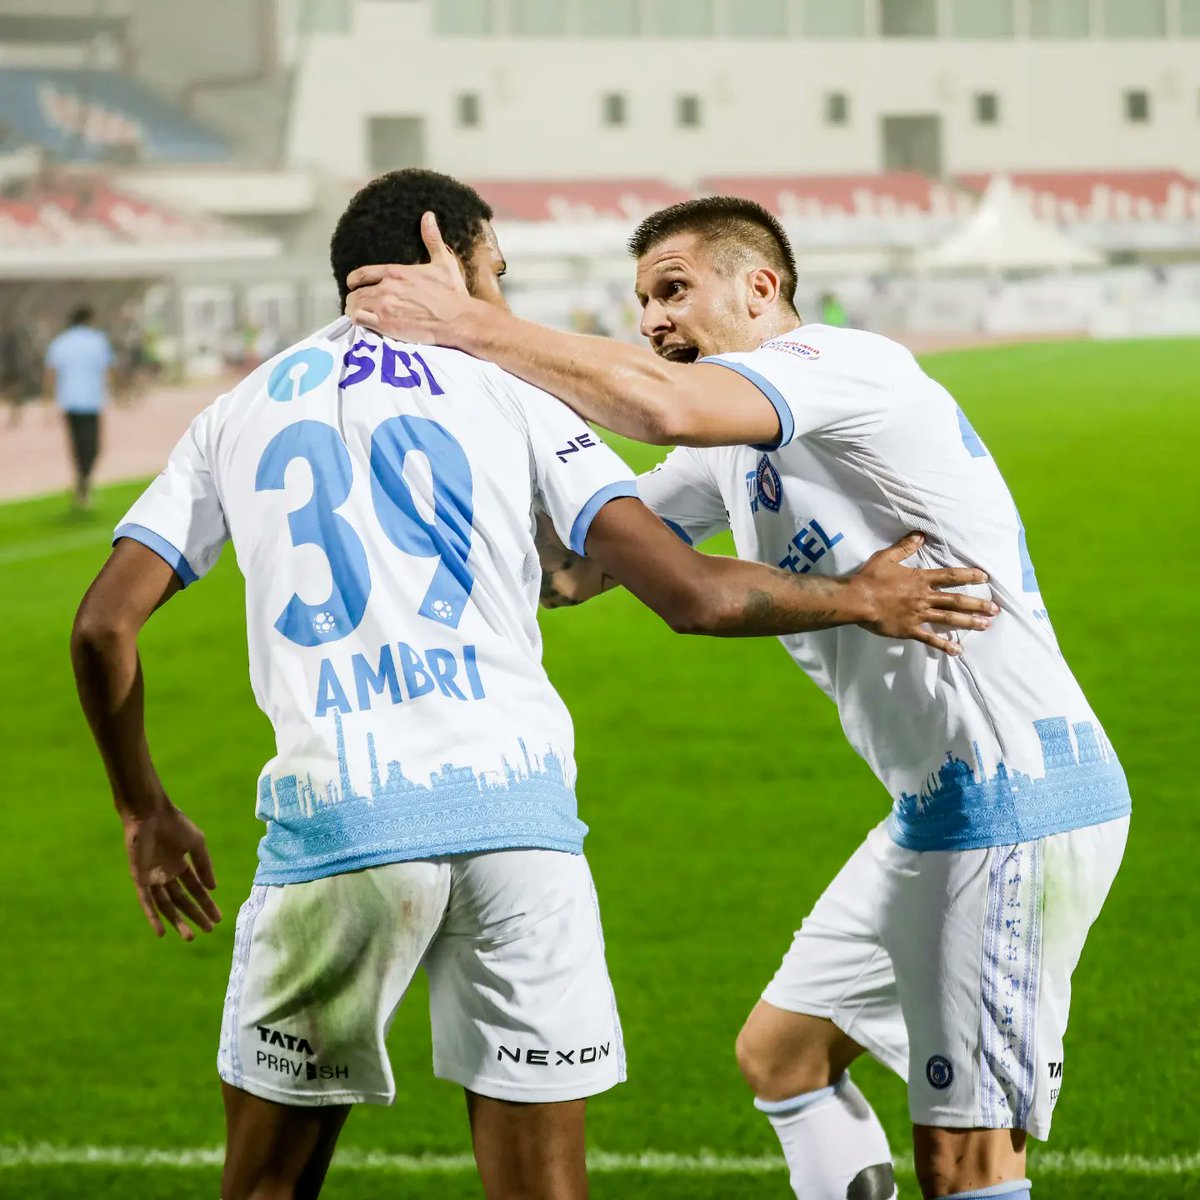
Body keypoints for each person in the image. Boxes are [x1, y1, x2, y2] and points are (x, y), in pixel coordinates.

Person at [70, 172, 993, 1200]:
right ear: (445, 249)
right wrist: (859, 598)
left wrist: (142, 809)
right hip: (520, 827)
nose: (497, 301)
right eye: (494, 273)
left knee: (267, 1188)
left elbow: (103, 626)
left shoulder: (235, 410)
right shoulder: (511, 391)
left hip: (342, 821)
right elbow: (687, 594)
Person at [344, 195, 1131, 1200]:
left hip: (1015, 796)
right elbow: (575, 570)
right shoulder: (723, 451)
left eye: (673, 289)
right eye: (641, 302)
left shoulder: (849, 366)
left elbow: (660, 403)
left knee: (967, 1156)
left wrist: (475, 323)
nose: (652, 321)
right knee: (782, 1058)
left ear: (759, 287)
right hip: (936, 812)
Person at [44, 304, 116, 509]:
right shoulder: (97, 341)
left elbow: (50, 372)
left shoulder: (61, 342)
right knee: (93, 447)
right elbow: (109, 367)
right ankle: (84, 482)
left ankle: (82, 481)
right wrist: (118, 391)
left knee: (77, 445)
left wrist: (47, 400)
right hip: (91, 401)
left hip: (69, 402)